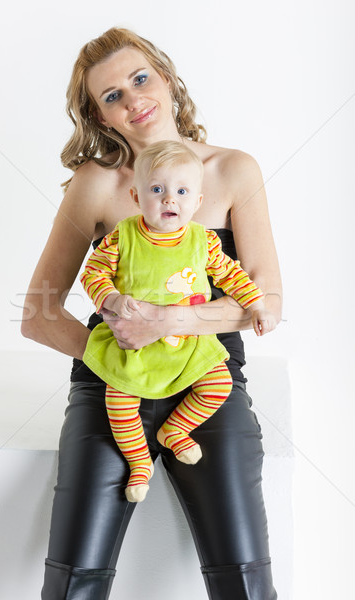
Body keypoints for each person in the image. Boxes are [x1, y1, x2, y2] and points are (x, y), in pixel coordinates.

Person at [21, 26, 282, 600]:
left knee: (244, 579)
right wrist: (112, 357)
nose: (134, 100)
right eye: (112, 96)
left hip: (208, 379)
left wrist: (165, 324)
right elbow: (38, 313)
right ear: (100, 117)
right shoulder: (95, 185)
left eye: (141, 79)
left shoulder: (234, 171)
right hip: (111, 387)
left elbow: (266, 300)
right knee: (73, 580)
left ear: (166, 77)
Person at [80, 140, 277, 503]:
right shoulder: (122, 236)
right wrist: (110, 297)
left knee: (219, 384)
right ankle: (139, 462)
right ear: (137, 197)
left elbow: (233, 276)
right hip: (134, 347)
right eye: (157, 190)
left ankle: (175, 430)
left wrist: (258, 305)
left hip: (188, 344)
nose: (170, 200)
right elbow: (93, 272)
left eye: (182, 191)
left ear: (197, 202)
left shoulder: (203, 240)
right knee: (119, 400)